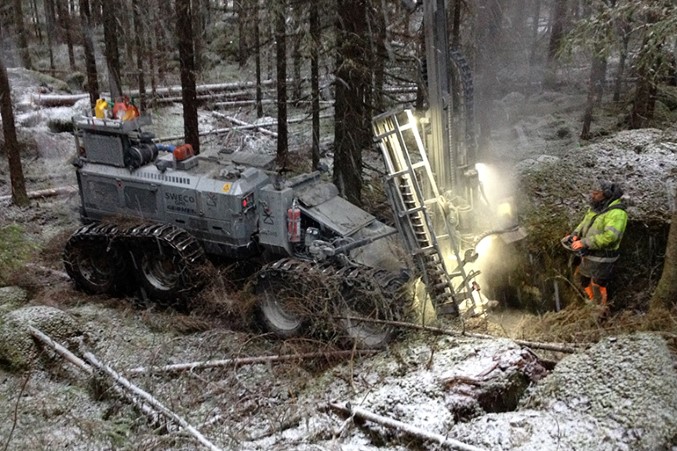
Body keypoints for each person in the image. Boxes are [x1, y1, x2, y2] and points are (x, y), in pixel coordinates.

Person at [563, 180, 628, 308]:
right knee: (581, 279)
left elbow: (611, 237)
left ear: (607, 194)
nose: (592, 195)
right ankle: (591, 302)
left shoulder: (617, 213)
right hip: (590, 252)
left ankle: (600, 310)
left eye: (596, 193)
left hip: (604, 256)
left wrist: (584, 242)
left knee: (597, 283)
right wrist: (575, 234)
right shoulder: (596, 207)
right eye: (592, 192)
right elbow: (584, 223)